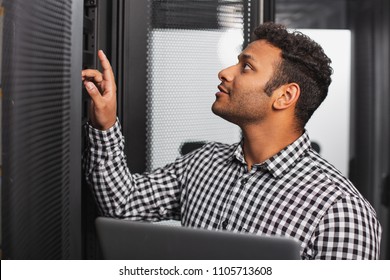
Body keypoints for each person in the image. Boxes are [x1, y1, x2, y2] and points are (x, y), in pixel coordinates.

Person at [82, 22, 381, 259]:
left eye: (246, 67)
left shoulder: (341, 211)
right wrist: (105, 122)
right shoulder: (203, 163)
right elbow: (122, 203)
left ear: (285, 96)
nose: (225, 72)